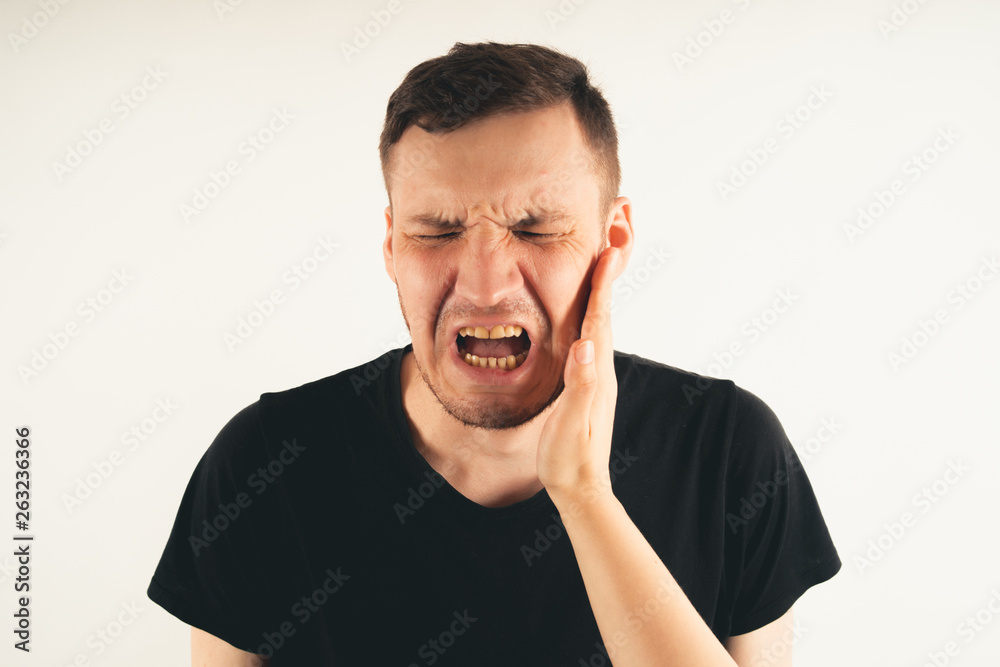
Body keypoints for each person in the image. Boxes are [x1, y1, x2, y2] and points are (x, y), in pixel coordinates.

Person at [147, 41, 840, 665]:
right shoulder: (261, 466)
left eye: (536, 229)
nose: (484, 284)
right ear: (391, 246)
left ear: (612, 240)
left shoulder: (728, 449)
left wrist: (585, 495)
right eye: (437, 230)